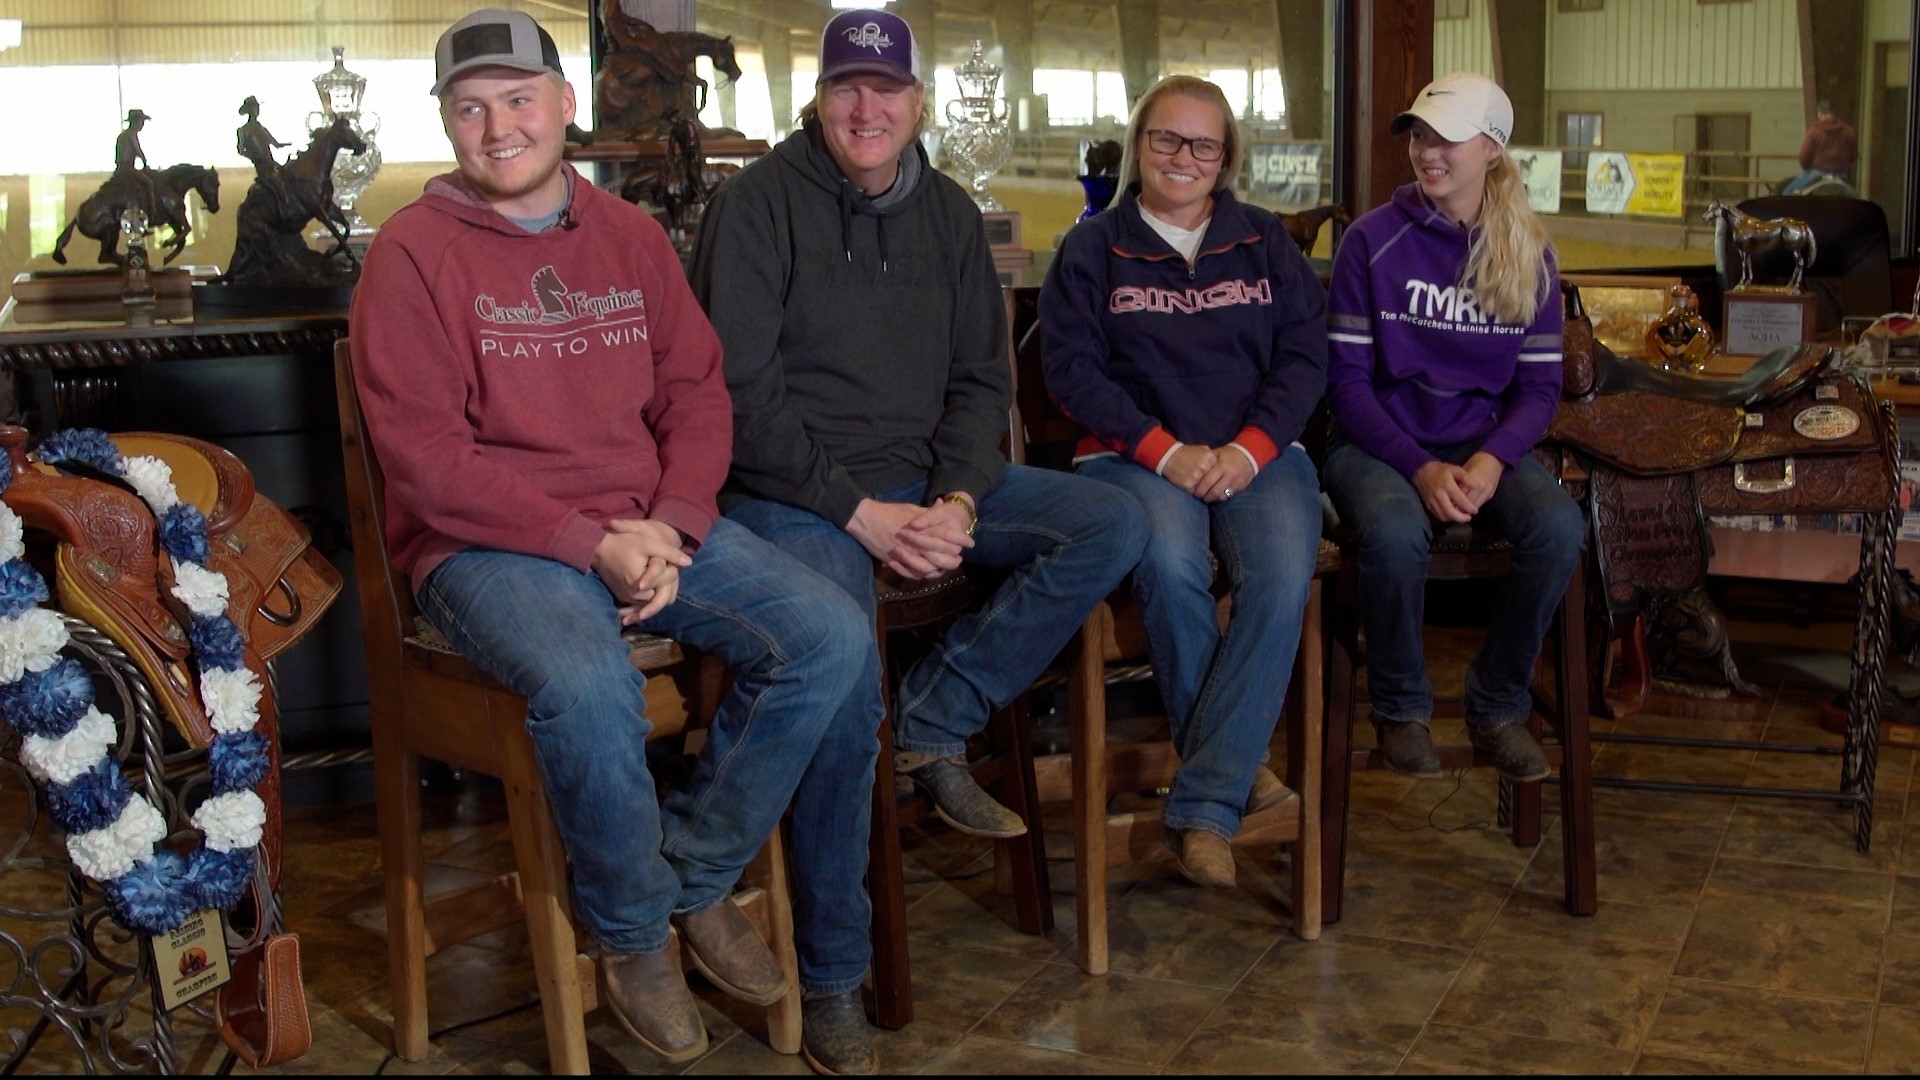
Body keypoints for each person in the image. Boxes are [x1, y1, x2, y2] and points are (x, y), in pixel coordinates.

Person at [348, 9, 883, 1073]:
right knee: (590, 684)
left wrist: (675, 524)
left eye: (518, 100)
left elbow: (697, 396)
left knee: (828, 633)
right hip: (488, 543)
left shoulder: (632, 238)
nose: (498, 128)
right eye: (470, 108)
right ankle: (636, 934)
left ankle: (690, 871)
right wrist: (586, 542)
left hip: (648, 526)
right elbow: (425, 462)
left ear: (564, 106)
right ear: (448, 125)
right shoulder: (410, 255)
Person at [691, 5, 1146, 868]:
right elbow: (740, 399)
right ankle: (835, 968)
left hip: (923, 487)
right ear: (818, 99)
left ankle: (935, 720)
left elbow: (981, 382)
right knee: (847, 670)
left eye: (886, 89)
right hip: (793, 502)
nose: (868, 110)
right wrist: (859, 513)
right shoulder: (755, 207)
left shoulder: (949, 215)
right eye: (847, 89)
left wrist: (959, 499)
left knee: (1113, 523)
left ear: (920, 102)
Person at [1037, 75, 1328, 888]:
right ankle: (1237, 778)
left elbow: (1306, 360)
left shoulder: (1265, 243)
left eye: (1203, 144)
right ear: (1139, 146)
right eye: (1166, 139)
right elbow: (1072, 373)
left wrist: (1250, 449)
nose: (1183, 157)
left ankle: (1203, 800)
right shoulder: (1092, 249)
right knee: (1167, 566)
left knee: (1278, 574)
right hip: (1134, 454)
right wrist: (1165, 450)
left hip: (1258, 455)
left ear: (1227, 157)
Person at [1322, 70, 1585, 783]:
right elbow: (1346, 386)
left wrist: (1494, 460)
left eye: (1447, 138)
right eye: (1419, 134)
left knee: (1560, 528)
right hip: (1377, 441)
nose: (1427, 150)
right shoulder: (1370, 242)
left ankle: (1497, 703)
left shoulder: (1530, 254)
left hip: (1479, 445)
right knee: (1395, 530)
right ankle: (1401, 709)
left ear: (1493, 147)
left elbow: (1538, 387)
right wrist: (1419, 466)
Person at [1783, 99, 1857, 195]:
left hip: (1816, 174)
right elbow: (1853, 156)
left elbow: (1803, 158)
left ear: (1819, 114)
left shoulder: (1814, 132)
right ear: (1834, 113)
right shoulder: (1848, 131)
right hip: (1841, 175)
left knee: (1785, 194)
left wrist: (1807, 167)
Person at [236, 96, 290, 191]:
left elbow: (276, 144)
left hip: (271, 164)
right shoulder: (243, 130)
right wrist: (255, 157)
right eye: (255, 108)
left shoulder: (262, 129)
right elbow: (240, 151)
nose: (258, 110)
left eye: (258, 108)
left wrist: (289, 144)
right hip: (262, 167)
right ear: (250, 110)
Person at [113, 108, 157, 221]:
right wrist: (145, 162)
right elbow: (137, 149)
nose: (142, 124)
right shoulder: (131, 134)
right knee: (149, 184)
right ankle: (151, 217)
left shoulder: (124, 134)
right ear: (136, 121)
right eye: (141, 121)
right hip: (126, 167)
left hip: (123, 167)